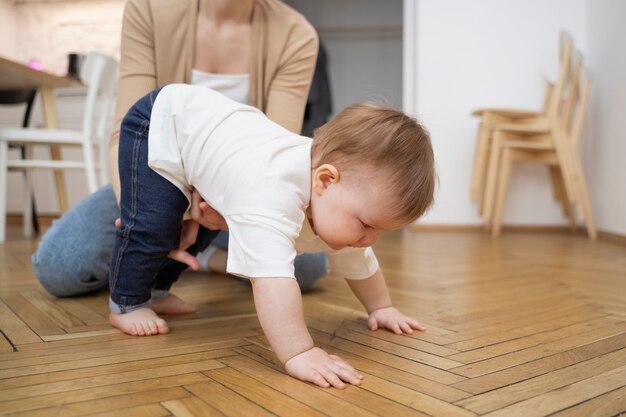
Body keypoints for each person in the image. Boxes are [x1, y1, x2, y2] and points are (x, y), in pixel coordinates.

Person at [108, 84, 436, 389]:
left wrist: (381, 307)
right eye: (367, 224)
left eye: (381, 230)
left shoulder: (338, 199)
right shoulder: (271, 195)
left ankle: (156, 290)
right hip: (162, 123)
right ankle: (126, 303)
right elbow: (271, 281)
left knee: (205, 225)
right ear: (324, 181)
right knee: (154, 226)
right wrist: (299, 351)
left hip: (214, 141)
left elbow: (360, 262)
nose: (370, 239)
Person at [31, 0, 328, 296]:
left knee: (307, 267)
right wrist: (145, 220)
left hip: (237, 197)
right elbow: (125, 132)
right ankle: (196, 255)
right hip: (151, 178)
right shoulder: (148, 9)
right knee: (60, 265)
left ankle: (201, 255)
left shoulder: (295, 34)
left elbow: (272, 158)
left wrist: (207, 212)